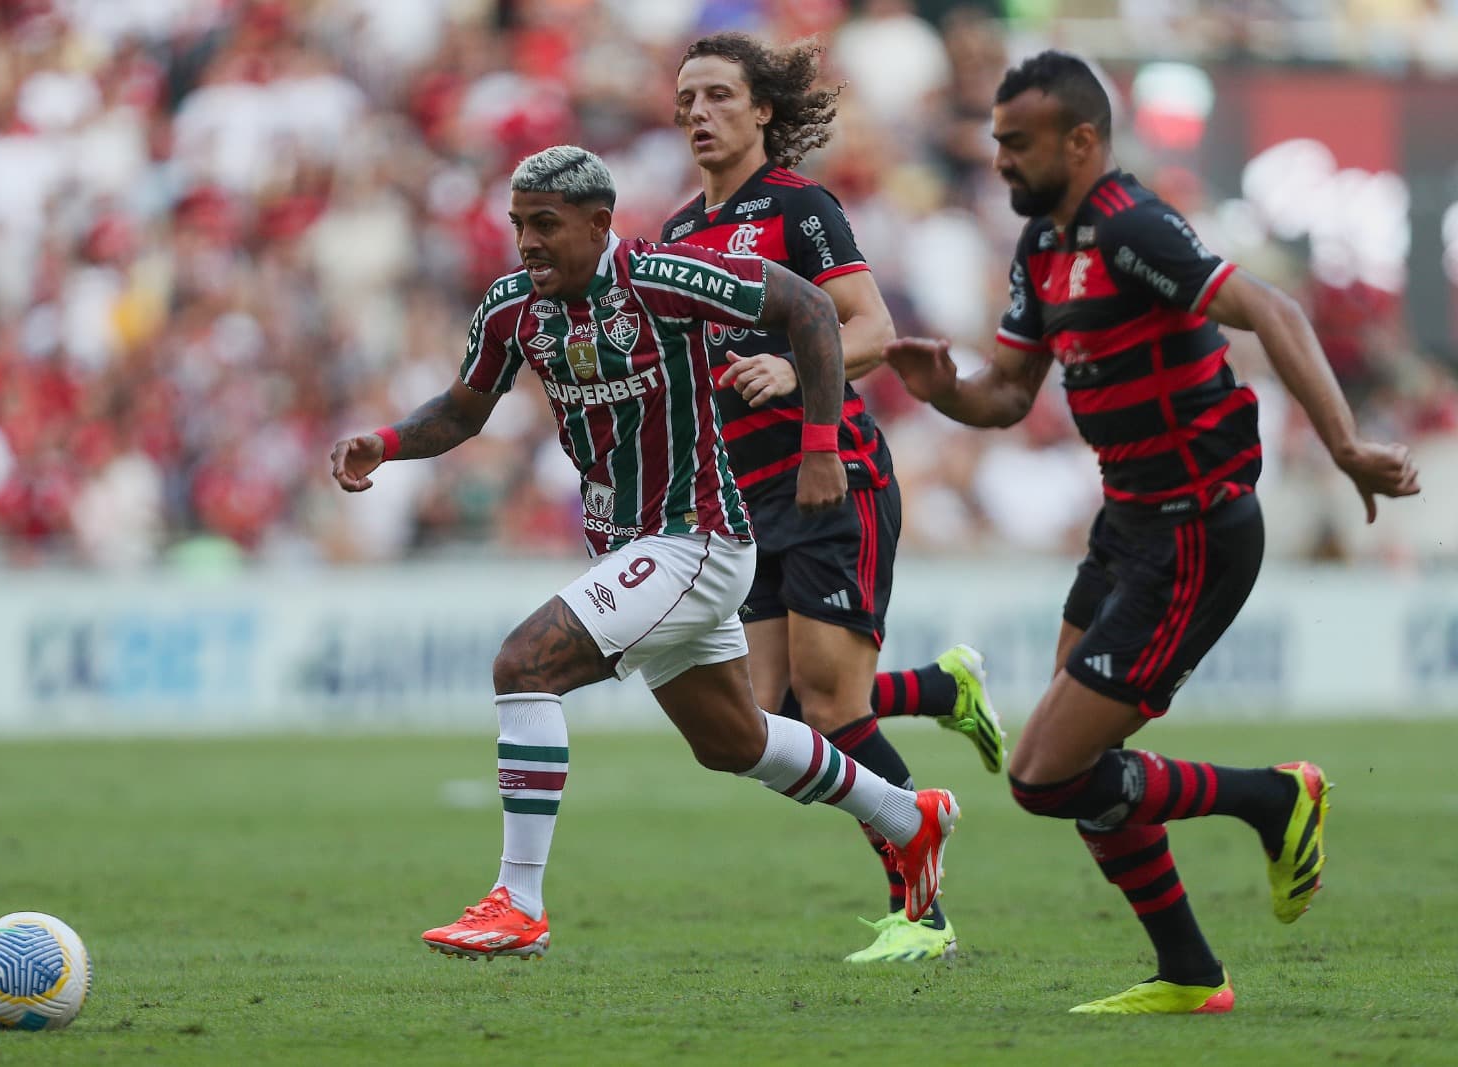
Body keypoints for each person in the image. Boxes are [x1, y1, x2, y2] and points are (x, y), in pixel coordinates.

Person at [883, 51, 1421, 1013]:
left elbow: (1272, 306)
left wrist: (1344, 444)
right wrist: (944, 392)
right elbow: (1007, 394)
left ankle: (1273, 797)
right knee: (1073, 766)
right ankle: (1190, 974)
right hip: (1127, 522)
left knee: (1043, 775)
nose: (998, 158)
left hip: (1195, 532)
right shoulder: (1042, 246)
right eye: (997, 140)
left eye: (1018, 142)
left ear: (1081, 141)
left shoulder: (1132, 226)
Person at [331, 145, 961, 961]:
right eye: (519, 224)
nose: (527, 242)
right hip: (632, 547)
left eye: (546, 224)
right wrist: (386, 442)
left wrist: (818, 444)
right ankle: (910, 818)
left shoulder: (662, 278)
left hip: (697, 536)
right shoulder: (513, 307)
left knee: (524, 665)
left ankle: (518, 901)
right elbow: (462, 410)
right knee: (734, 740)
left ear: (599, 224)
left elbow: (809, 306)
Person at [663, 32, 1003, 965]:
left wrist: (789, 363)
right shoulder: (677, 236)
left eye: (719, 95)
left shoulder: (798, 207)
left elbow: (872, 326)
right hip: (745, 498)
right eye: (687, 98)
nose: (698, 112)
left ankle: (923, 912)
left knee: (834, 711)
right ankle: (940, 688)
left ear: (762, 109)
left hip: (830, 476)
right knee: (762, 719)